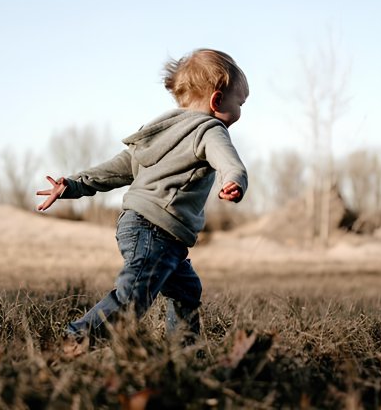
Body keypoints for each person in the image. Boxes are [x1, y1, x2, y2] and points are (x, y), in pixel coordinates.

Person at [36, 49, 249, 356]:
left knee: (187, 292)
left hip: (139, 225)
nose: (241, 111)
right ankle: (74, 340)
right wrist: (234, 181)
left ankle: (184, 352)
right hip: (156, 229)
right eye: (240, 103)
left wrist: (72, 184)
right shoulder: (210, 129)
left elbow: (115, 169)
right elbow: (230, 163)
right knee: (133, 296)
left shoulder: (156, 132)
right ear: (216, 101)